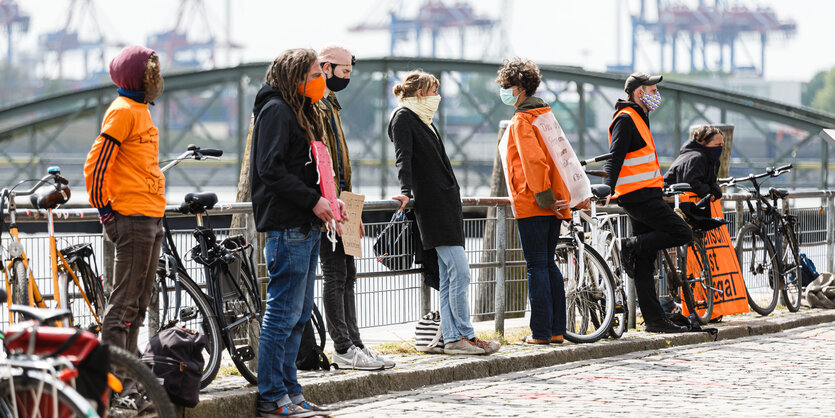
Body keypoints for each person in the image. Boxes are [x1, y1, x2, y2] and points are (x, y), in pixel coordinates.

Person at [251, 48, 345, 417]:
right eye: (313, 74)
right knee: (282, 313)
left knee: (299, 314)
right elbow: (269, 170)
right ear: (295, 79)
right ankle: (271, 395)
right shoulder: (276, 111)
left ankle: (290, 390)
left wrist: (327, 201)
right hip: (287, 225)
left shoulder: (297, 110)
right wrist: (312, 200)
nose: (320, 79)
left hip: (305, 224)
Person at [389, 70, 500, 356]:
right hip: (433, 208)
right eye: (432, 91)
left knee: (451, 276)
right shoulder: (404, 118)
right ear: (419, 92)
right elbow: (403, 157)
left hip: (445, 205)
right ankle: (463, 335)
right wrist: (405, 190)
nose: (436, 97)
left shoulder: (424, 120)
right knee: (460, 273)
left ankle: (454, 338)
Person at [495, 58, 589, 345]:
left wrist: (543, 197)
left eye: (506, 86)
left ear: (520, 88)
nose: (503, 91)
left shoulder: (522, 121)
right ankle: (558, 330)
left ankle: (541, 333)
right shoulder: (546, 116)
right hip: (556, 203)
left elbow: (534, 163)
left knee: (536, 266)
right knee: (548, 265)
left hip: (534, 203)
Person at [84, 45, 166, 356]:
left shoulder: (141, 109)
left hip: (149, 215)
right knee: (123, 305)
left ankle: (132, 376)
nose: (157, 79)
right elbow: (96, 164)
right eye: (151, 74)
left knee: (140, 303)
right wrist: (105, 210)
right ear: (136, 78)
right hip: (130, 218)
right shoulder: (122, 111)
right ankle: (116, 381)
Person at [315, 46, 393, 370]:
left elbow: (339, 162)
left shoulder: (332, 104)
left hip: (344, 203)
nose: (348, 77)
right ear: (327, 67)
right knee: (334, 275)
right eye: (344, 72)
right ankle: (343, 348)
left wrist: (350, 207)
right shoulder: (317, 104)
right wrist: (333, 204)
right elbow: (322, 160)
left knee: (349, 274)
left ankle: (356, 344)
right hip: (329, 204)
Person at [603, 72, 693, 333]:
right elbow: (615, 156)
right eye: (653, 90)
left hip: (645, 193)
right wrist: (608, 186)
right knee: (681, 232)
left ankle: (654, 320)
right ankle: (629, 244)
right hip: (638, 196)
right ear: (639, 93)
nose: (657, 96)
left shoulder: (640, 117)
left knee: (645, 261)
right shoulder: (626, 119)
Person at [664, 125, 725, 202]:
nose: (720, 148)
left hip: (685, 202)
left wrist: (715, 190)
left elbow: (709, 181)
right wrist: (708, 192)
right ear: (703, 142)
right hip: (672, 201)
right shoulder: (696, 158)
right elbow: (691, 183)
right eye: (717, 145)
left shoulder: (712, 160)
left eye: (722, 144)